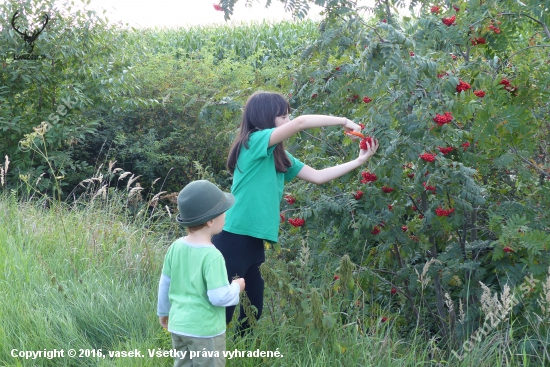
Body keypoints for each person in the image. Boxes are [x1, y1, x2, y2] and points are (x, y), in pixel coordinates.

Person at [212, 91, 379, 334]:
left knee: (253, 311)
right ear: (266, 118)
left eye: (288, 116)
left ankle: (241, 357)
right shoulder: (253, 142)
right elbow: (301, 123)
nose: (289, 121)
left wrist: (359, 162)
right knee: (222, 312)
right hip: (233, 237)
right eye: (283, 116)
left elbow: (318, 176)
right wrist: (344, 121)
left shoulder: (278, 155)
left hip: (256, 240)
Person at [157, 180, 246, 367]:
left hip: (179, 326)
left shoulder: (176, 247)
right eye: (223, 212)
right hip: (205, 332)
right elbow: (218, 297)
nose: (226, 216)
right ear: (210, 220)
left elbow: (165, 283)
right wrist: (237, 287)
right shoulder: (212, 256)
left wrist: (163, 312)